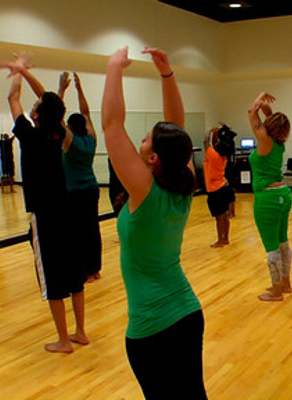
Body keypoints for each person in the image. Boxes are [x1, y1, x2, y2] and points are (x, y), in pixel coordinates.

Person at [102, 46, 206, 398]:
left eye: (144, 139)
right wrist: (166, 73)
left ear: (153, 158)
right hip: (188, 314)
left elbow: (112, 125)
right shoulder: (183, 182)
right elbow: (176, 128)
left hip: (151, 329)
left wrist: (114, 67)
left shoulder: (145, 190)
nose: (140, 140)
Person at [0, 51, 88, 354]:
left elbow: (14, 97)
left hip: (45, 215)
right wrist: (23, 69)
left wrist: (18, 71)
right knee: (74, 273)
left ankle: (63, 340)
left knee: (53, 277)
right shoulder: (58, 131)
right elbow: (46, 99)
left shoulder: (29, 135)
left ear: (35, 115)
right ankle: (80, 332)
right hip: (66, 210)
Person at [247, 92, 292, 302]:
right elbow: (267, 120)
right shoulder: (279, 142)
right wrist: (267, 109)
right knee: (283, 241)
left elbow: (251, 112)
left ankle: (275, 290)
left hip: (268, 198)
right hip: (284, 194)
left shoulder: (265, 140)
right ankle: (285, 283)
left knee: (271, 246)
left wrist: (259, 99)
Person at [58, 71, 103, 283]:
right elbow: (86, 111)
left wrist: (61, 90)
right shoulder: (91, 139)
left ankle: (85, 272)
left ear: (70, 127)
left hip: (74, 192)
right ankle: (95, 269)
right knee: (92, 228)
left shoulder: (70, 142)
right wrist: (78, 88)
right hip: (92, 189)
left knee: (77, 233)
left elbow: (55, 116)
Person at [203, 126, 232, 247]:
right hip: (223, 187)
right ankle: (226, 238)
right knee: (224, 216)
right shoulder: (223, 157)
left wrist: (209, 131)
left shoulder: (213, 156)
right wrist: (216, 134)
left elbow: (206, 143)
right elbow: (214, 143)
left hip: (215, 190)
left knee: (219, 218)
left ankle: (220, 240)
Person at [0, 122, 17, 193]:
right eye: (6, 136)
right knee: (3, 176)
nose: (7, 137)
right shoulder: (2, 142)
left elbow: (15, 135)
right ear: (5, 137)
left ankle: (11, 189)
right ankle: (3, 190)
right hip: (4, 161)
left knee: (11, 175)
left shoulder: (9, 141)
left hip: (10, 160)